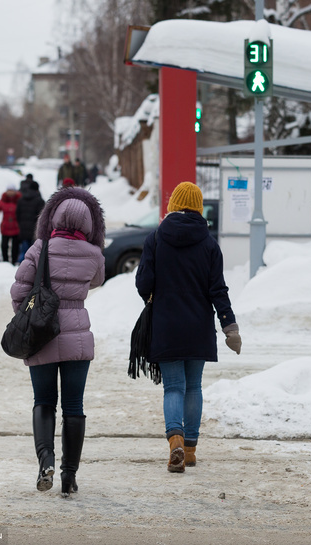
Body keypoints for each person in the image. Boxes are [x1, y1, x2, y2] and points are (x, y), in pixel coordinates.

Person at [135, 181, 241, 473]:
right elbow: (218, 290)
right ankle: (191, 451)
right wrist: (230, 327)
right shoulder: (209, 245)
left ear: (172, 206)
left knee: (173, 388)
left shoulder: (155, 240)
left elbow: (143, 283)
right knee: (193, 386)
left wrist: (156, 295)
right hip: (198, 327)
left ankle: (175, 442)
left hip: (166, 325)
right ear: (198, 207)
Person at [10, 187, 106, 497]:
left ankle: (45, 461)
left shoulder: (40, 248)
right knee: (74, 406)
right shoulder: (94, 255)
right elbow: (97, 281)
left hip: (42, 336)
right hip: (78, 337)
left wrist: (31, 318)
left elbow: (18, 291)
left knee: (44, 402)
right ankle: (69, 476)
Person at [15, 180, 45, 263]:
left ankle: (20, 266)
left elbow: (17, 214)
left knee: (24, 250)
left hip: (23, 229)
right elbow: (42, 217)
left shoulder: (21, 199)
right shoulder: (39, 201)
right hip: (34, 230)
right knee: (33, 252)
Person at [0, 184, 21, 264]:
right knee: (4, 246)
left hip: (16, 227)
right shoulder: (2, 200)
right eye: (9, 190)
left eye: (12, 190)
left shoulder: (19, 200)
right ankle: (5, 262)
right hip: (5, 227)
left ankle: (13, 261)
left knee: (15, 247)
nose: (10, 192)